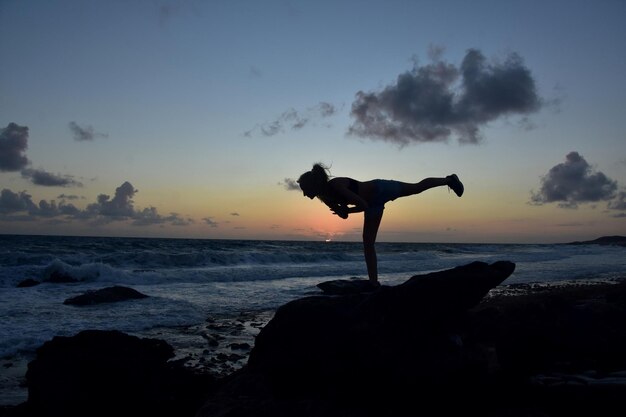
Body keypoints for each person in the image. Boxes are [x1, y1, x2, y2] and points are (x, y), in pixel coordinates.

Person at [297, 163, 464, 285]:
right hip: (373, 204)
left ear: (313, 185)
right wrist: (342, 212)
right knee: (368, 244)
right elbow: (346, 216)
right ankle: (373, 282)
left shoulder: (336, 185)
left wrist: (346, 211)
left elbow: (362, 205)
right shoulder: (326, 198)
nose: (304, 194)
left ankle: (448, 180)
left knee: (416, 188)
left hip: (380, 188)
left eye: (304, 189)